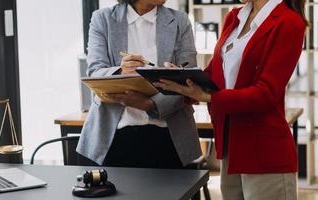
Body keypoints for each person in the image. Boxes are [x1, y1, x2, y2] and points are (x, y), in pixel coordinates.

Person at [155, 0, 307, 199]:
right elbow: (214, 74)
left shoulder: (289, 22)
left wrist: (209, 97)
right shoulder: (234, 17)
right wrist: (183, 78)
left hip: (264, 153)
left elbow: (266, 93)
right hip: (230, 149)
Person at [76, 0, 201, 169]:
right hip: (113, 137)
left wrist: (150, 104)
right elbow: (95, 72)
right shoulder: (102, 19)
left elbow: (190, 80)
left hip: (170, 135)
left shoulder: (180, 20)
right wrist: (121, 71)